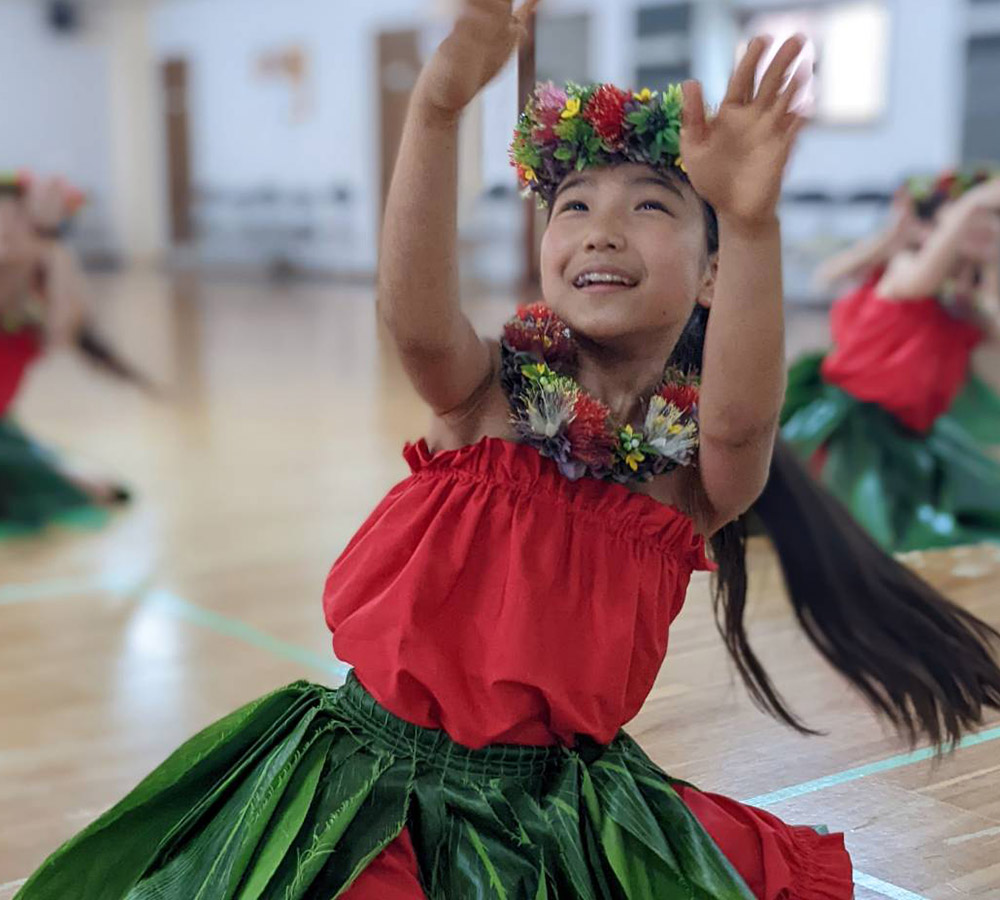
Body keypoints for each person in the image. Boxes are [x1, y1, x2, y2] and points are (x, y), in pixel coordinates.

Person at [15, 4, 1000, 898]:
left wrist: (750, 223)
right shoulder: (484, 395)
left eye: (650, 206)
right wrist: (440, 105)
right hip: (363, 795)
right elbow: (411, 315)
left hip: (551, 816)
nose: (599, 225)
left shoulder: (689, 475)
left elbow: (741, 418)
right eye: (571, 204)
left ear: (709, 277)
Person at [783, 170, 1000, 550]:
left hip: (909, 437)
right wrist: (972, 204)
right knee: (867, 539)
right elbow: (918, 278)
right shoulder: (904, 271)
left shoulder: (960, 306)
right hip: (857, 429)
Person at [0, 172, 132, 536]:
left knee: (84, 491)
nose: (5, 231)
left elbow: (59, 331)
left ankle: (59, 474)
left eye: (15, 221)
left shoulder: (41, 295)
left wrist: (54, 249)